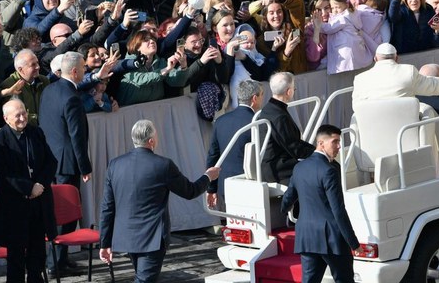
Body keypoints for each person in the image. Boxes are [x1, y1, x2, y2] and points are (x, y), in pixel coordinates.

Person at [99, 119, 220, 282]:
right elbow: (190, 191)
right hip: (152, 237)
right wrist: (208, 177)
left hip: (127, 236)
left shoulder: (115, 165)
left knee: (142, 277)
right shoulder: (163, 165)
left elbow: (107, 207)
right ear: (151, 141)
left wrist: (104, 243)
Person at [280, 124, 362, 282]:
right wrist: (353, 242)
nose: (339, 146)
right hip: (332, 238)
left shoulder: (299, 167)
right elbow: (338, 210)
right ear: (321, 143)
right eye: (335, 142)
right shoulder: (329, 170)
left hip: (307, 236)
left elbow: (288, 198)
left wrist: (284, 210)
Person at [0, 100, 57, 283]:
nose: (22, 118)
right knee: (16, 258)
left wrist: (40, 185)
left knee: (37, 254)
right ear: (6, 119)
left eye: (24, 113)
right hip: (15, 207)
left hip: (38, 202)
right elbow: (3, 175)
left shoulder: (36, 132)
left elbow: (51, 162)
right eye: (17, 115)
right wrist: (28, 188)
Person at [38, 51, 92, 275]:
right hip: (67, 163)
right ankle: (56, 264)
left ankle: (61, 258)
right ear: (74, 71)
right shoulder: (71, 97)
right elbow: (76, 136)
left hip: (51, 160)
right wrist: (85, 166)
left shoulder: (50, 89)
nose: (86, 71)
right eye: (83, 68)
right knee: (66, 214)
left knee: (56, 213)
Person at [351, 43, 439, 111]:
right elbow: (433, 86)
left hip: (371, 130)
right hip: (404, 129)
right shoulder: (408, 72)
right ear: (397, 58)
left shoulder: (360, 79)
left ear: (375, 59)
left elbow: (356, 107)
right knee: (427, 111)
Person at [206, 80, 264, 208]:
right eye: (261, 95)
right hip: (251, 183)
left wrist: (211, 188)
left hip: (226, 184)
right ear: (254, 98)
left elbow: (213, 157)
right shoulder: (259, 122)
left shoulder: (221, 121)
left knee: (235, 224)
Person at [258, 72, 315, 184]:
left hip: (271, 165)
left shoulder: (268, 109)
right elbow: (294, 148)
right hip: (277, 169)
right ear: (288, 92)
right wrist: (318, 152)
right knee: (324, 168)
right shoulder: (279, 116)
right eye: (294, 88)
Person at [0, 49, 49, 126]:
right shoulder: (9, 86)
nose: (38, 67)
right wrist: (42, 119)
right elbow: (14, 115)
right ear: (20, 70)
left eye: (37, 63)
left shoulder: (44, 80)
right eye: (33, 65)